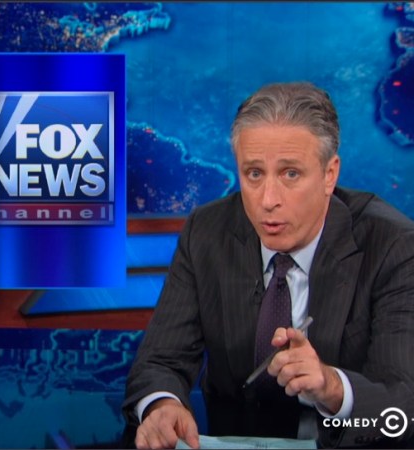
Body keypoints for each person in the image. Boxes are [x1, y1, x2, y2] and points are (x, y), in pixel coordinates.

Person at [122, 82, 414, 448]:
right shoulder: (207, 233)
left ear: (329, 174)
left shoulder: (393, 247)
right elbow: (160, 361)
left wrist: (332, 387)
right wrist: (162, 405)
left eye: (290, 174)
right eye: (254, 174)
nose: (268, 200)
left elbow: (404, 405)